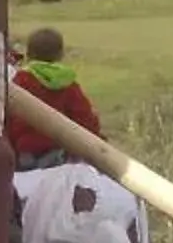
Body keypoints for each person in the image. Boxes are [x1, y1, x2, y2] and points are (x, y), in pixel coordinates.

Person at [8, 26, 103, 168]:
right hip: (59, 154)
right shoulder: (68, 83)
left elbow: (8, 118)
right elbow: (85, 119)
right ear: (60, 54)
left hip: (24, 154)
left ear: (28, 54)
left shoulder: (20, 81)